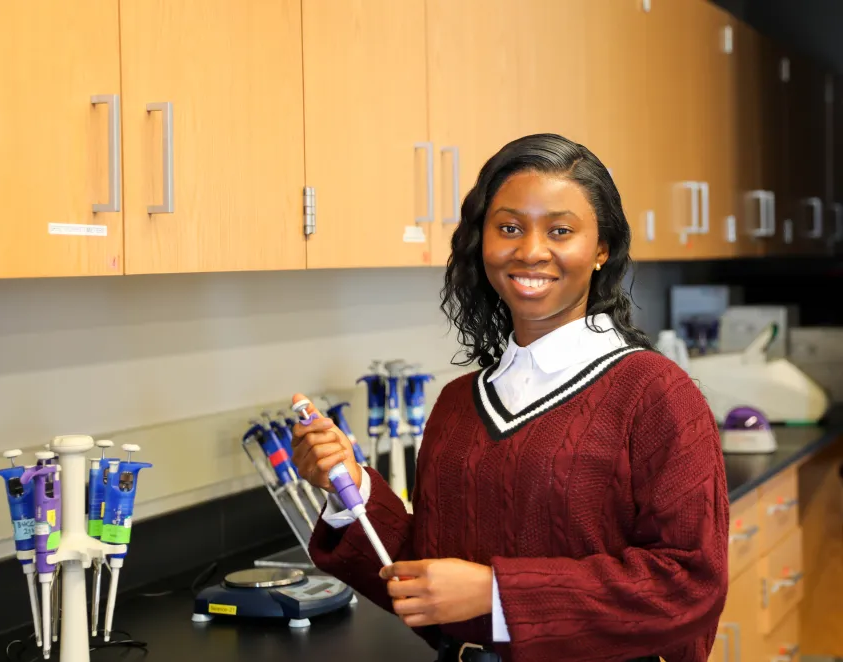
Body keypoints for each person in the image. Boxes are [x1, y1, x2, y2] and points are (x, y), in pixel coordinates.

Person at [291, 133, 729, 662]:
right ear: (483, 241)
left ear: (602, 250)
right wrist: (351, 487)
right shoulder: (458, 404)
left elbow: (689, 585)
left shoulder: (655, 395)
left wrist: (497, 593)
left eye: (560, 230)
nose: (530, 251)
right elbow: (426, 581)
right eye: (509, 228)